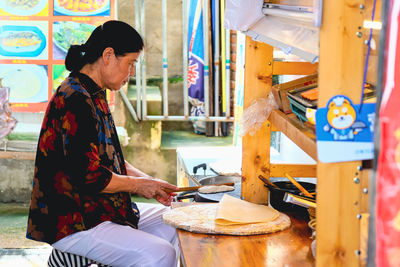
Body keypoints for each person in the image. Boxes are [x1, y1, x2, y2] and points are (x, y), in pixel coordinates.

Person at [26, 20, 180, 267]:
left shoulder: (93, 93)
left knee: (174, 220)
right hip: (72, 220)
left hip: (97, 210)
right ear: (108, 55)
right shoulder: (76, 98)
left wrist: (152, 184)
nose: (131, 73)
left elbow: (110, 159)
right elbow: (90, 176)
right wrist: (140, 186)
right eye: (130, 64)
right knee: (160, 254)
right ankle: (72, 254)